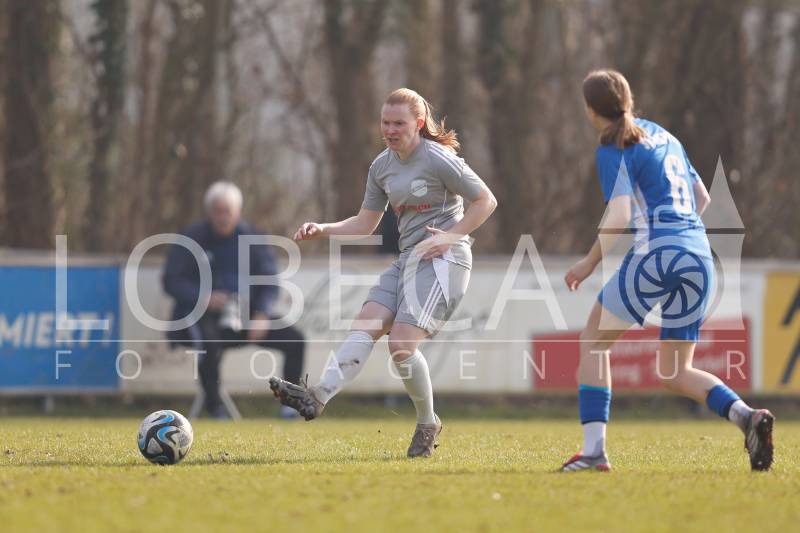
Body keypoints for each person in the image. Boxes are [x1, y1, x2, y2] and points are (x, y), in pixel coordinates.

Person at [560, 69, 774, 472]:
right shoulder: (665, 137)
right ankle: (747, 416)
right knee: (675, 371)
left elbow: (620, 214)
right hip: (699, 256)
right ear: (629, 99)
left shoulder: (613, 147)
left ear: (590, 111)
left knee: (593, 342)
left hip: (657, 254)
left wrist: (589, 262)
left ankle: (593, 452)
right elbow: (701, 197)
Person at [269, 88, 497, 457]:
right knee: (366, 323)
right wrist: (323, 228)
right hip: (409, 260)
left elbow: (486, 200)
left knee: (401, 345)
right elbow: (365, 223)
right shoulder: (381, 166)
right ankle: (318, 396)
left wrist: (451, 236)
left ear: (418, 124)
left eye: (398, 124)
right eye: (385, 123)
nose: (390, 130)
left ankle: (427, 423)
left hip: (446, 261)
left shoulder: (438, 158)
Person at [163, 181, 306, 419]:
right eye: (217, 211)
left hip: (246, 315)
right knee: (208, 345)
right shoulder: (191, 239)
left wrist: (262, 313)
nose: (222, 217)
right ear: (209, 212)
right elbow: (171, 280)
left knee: (295, 340)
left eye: (227, 211)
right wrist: (203, 298)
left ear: (238, 211)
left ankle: (289, 408)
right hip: (200, 316)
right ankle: (216, 409)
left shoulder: (254, 238)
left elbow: (270, 280)